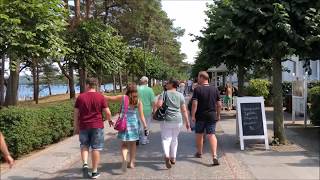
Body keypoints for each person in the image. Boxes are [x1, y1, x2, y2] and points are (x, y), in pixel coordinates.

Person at [74, 78, 112, 179]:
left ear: (87, 85)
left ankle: (85, 164)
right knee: (96, 148)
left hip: (83, 125)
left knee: (84, 145)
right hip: (97, 126)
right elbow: (107, 112)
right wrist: (109, 120)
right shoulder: (101, 97)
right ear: (96, 86)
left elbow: (76, 114)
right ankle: (94, 172)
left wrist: (76, 126)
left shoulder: (80, 97)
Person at [106, 83, 148, 173]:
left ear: (127, 90)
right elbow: (142, 116)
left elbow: (109, 98)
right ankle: (131, 162)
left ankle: (125, 159)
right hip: (133, 124)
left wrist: (98, 95)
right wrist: (145, 126)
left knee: (124, 144)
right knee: (133, 144)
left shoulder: (123, 98)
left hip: (124, 123)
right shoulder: (138, 101)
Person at [155, 78, 190, 169]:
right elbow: (184, 110)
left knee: (166, 139)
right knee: (174, 139)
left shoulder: (164, 93)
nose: (166, 84)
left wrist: (158, 101)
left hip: (166, 119)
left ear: (172, 84)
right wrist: (187, 122)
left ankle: (167, 155)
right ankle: (173, 158)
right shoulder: (180, 95)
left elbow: (158, 105)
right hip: (178, 120)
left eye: (168, 83)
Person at [191, 71, 222, 166]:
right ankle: (214, 155)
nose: (197, 79)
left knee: (199, 134)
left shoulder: (197, 89)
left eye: (198, 77)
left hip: (200, 116)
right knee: (211, 135)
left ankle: (199, 152)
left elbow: (194, 103)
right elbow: (219, 104)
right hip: (212, 115)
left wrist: (192, 115)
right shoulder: (215, 89)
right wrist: (218, 115)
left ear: (201, 77)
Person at [138, 76, 155, 145]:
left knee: (139, 124)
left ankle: (138, 138)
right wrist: (154, 110)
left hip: (137, 110)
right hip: (147, 110)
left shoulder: (137, 89)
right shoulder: (150, 90)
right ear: (146, 82)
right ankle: (144, 140)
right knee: (146, 125)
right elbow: (153, 102)